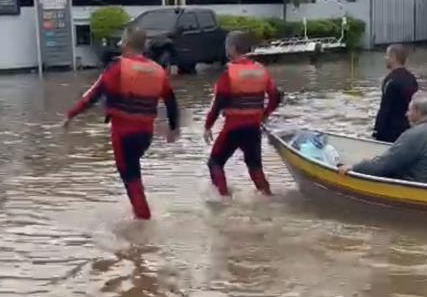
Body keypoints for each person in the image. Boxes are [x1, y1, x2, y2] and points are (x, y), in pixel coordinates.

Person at [63, 26, 179, 220]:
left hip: (123, 134)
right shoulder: (158, 71)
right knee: (134, 172)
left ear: (125, 44)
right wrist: (173, 128)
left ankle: (144, 229)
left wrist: (70, 115)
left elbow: (93, 95)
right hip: (145, 136)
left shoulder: (117, 67)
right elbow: (171, 102)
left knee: (131, 180)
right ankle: (140, 218)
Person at [204, 30, 280, 197]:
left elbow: (219, 102)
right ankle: (268, 196)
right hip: (253, 127)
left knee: (215, 163)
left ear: (232, 48)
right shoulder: (261, 69)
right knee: (255, 167)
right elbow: (276, 96)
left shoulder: (228, 72)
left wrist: (208, 126)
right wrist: (265, 114)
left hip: (233, 127)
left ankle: (224, 199)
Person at [338, 94, 427, 185]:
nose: (406, 114)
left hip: (418, 182)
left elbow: (385, 165)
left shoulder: (414, 134)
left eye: (409, 110)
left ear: (418, 112)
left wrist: (355, 168)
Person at [373, 44, 418, 143]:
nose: (385, 58)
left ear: (393, 57)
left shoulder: (390, 81)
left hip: (389, 131)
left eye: (387, 56)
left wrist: (377, 130)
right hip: (406, 129)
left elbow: (385, 108)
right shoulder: (411, 78)